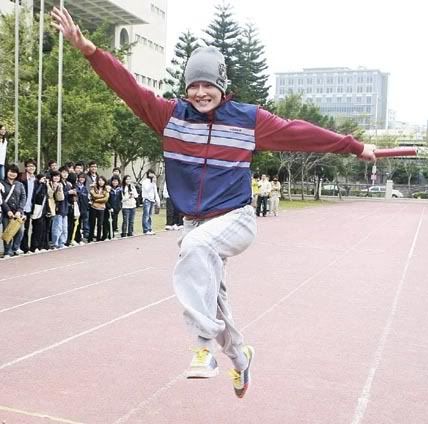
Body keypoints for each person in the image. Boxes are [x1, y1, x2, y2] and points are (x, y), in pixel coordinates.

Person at [51, 6, 376, 399]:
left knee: (194, 247)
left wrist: (353, 146)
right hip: (196, 222)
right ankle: (240, 358)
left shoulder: (248, 120)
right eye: (194, 85)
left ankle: (203, 349)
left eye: (208, 85)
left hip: (235, 219)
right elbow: (129, 87)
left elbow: (300, 133)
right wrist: (88, 49)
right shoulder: (169, 117)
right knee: (214, 300)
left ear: (223, 86)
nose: (200, 93)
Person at [1, 164, 26, 257]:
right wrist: (7, 210)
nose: (12, 174)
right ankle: (7, 251)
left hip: (18, 212)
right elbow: (1, 199)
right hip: (6, 212)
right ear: (6, 172)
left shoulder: (19, 184)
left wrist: (19, 210)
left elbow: (23, 197)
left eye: (15, 172)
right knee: (8, 231)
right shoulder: (1, 183)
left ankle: (15, 248)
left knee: (20, 230)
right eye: (11, 171)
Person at [19, 159, 38, 253]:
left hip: (30, 207)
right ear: (26, 168)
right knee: (20, 229)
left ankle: (25, 248)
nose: (31, 168)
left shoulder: (35, 179)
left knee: (27, 228)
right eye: (29, 166)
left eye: (33, 166)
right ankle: (19, 248)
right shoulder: (21, 178)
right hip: (21, 207)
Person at [88, 176, 109, 242]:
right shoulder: (94, 188)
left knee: (100, 224)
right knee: (92, 223)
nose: (101, 182)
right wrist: (102, 196)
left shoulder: (106, 189)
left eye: (102, 181)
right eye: (99, 180)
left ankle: (98, 238)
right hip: (93, 207)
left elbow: (105, 199)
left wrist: (96, 200)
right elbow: (93, 196)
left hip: (101, 208)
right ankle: (90, 238)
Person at [141, 169, 160, 235]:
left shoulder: (153, 182)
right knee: (146, 215)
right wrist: (152, 183)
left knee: (150, 216)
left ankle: (149, 229)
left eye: (152, 173)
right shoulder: (145, 181)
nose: (151, 175)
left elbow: (155, 192)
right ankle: (145, 230)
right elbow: (147, 189)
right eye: (150, 173)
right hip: (147, 200)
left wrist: (158, 201)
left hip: (152, 200)